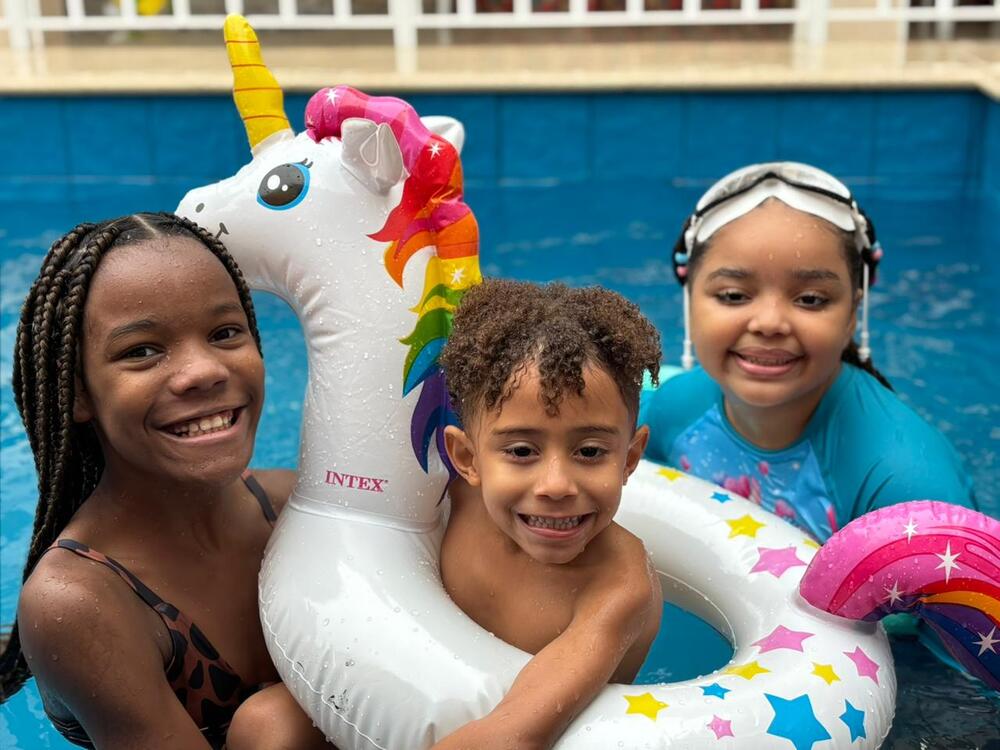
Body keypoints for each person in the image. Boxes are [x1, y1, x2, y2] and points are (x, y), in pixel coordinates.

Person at [0, 213, 325, 749]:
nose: (204, 371)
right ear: (78, 393)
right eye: (142, 351)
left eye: (225, 333)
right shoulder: (82, 602)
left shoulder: (296, 508)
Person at [640, 162, 977, 544]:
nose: (769, 323)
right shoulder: (674, 409)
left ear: (853, 312)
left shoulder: (905, 484)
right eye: (733, 295)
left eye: (811, 299)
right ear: (689, 302)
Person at [433, 280, 664, 750]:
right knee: (268, 722)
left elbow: (515, 735)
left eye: (590, 451)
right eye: (521, 450)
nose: (556, 485)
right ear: (467, 458)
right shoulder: (455, 500)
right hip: (419, 688)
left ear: (631, 458)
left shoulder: (619, 588)